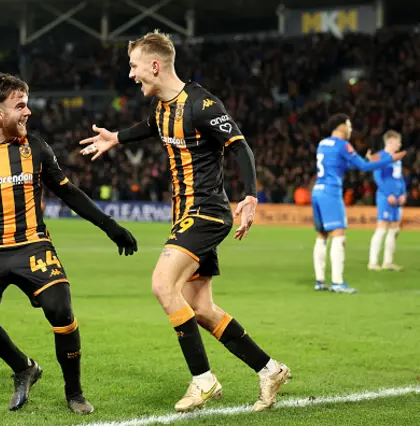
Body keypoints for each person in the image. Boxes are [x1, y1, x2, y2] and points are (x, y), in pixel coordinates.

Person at [79, 30, 289, 413]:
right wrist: (117, 138)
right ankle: (270, 368)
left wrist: (250, 195)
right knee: (202, 308)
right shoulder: (162, 107)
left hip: (206, 212)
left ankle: (204, 381)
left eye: (135, 67)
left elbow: (240, 146)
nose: (131, 75)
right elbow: (150, 128)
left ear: (155, 66)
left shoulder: (203, 104)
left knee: (162, 284)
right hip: (185, 216)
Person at [0, 73, 137, 414]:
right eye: (20, 106)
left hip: (32, 245)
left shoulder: (35, 147)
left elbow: (68, 192)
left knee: (60, 308)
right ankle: (23, 366)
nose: (28, 112)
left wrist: (110, 226)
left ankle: (74, 392)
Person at [311, 114, 406, 293]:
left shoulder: (323, 143)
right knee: (339, 236)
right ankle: (338, 282)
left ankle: (320, 280)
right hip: (331, 191)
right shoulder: (343, 144)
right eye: (349, 126)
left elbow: (343, 165)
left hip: (317, 191)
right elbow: (363, 167)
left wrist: (366, 160)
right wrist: (389, 159)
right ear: (340, 127)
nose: (351, 129)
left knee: (322, 235)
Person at [368, 130, 406, 271]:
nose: (400, 144)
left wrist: (403, 193)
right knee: (382, 229)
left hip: (397, 198)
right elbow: (378, 178)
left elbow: (400, 178)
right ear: (390, 142)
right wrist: (388, 193)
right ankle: (372, 262)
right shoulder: (380, 157)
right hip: (385, 197)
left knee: (394, 230)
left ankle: (388, 262)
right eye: (398, 142)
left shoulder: (396, 159)